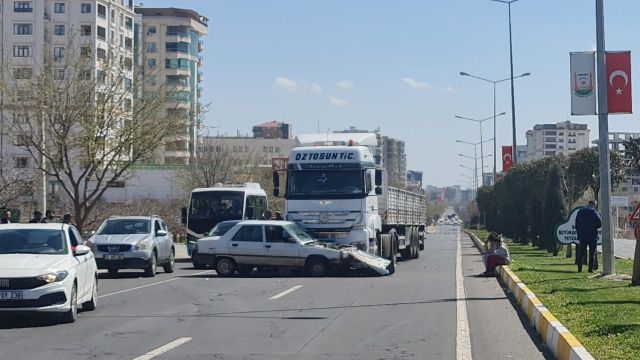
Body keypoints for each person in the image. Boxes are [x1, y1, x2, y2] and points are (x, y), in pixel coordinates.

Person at [575, 200, 602, 273]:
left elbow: (576, 223)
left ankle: (579, 269)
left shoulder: (580, 212)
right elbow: (599, 224)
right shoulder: (594, 212)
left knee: (581, 252)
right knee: (592, 252)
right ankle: (590, 269)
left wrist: (579, 231)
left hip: (582, 235)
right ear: (594, 205)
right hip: (592, 235)